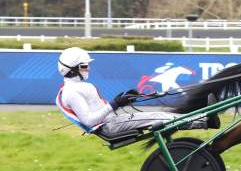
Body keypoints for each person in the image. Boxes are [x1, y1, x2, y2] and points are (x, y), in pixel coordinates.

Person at [55, 47, 219, 136]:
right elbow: (89, 121)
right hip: (109, 126)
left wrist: (122, 100)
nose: (88, 68)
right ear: (72, 70)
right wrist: (114, 104)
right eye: (84, 66)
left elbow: (100, 109)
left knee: (161, 114)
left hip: (114, 120)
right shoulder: (72, 92)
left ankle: (204, 119)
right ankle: (205, 121)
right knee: (161, 117)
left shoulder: (77, 87)